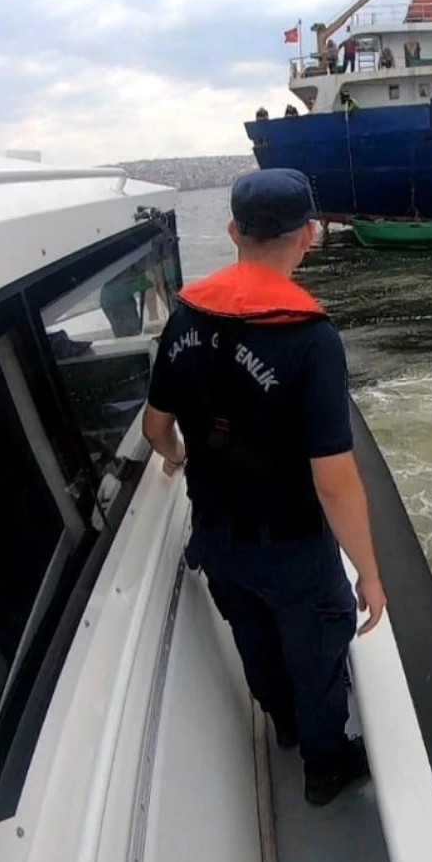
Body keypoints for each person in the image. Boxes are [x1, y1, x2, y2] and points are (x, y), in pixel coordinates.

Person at [141, 168, 387, 807]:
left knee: (255, 640)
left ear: (231, 232)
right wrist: (369, 572)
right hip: (294, 549)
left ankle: (283, 727)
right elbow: (334, 481)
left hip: (217, 540)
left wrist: (175, 459)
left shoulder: (185, 316)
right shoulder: (311, 339)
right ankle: (324, 765)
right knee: (318, 656)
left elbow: (156, 425)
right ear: (307, 235)